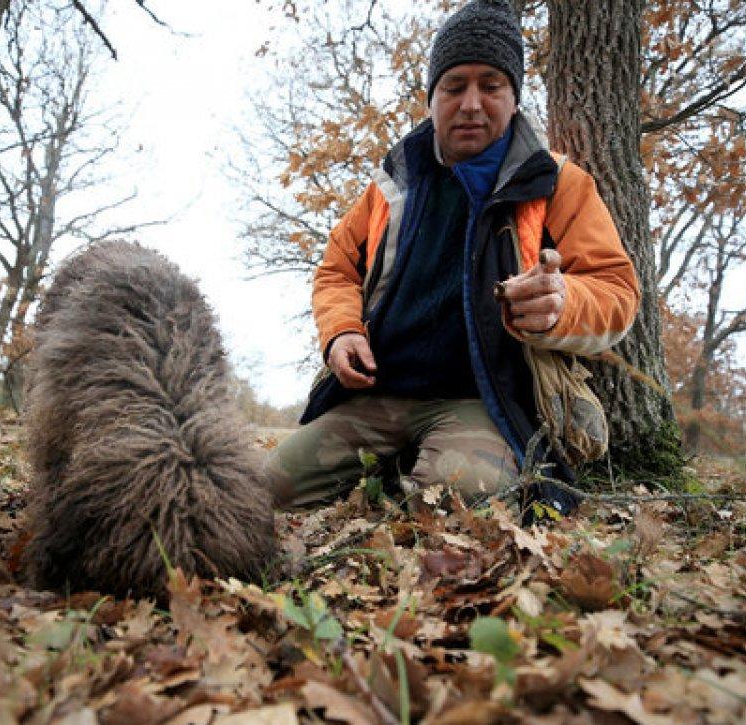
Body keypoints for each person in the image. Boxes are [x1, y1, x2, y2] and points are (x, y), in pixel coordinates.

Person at [267, 0, 639, 511]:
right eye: (454, 86)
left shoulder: (559, 183)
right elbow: (337, 269)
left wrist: (562, 303)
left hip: (484, 403)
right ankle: (396, 466)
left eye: (491, 86)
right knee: (264, 489)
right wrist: (342, 331)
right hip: (378, 395)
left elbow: (616, 290)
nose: (471, 104)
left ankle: (416, 474)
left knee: (454, 501)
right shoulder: (392, 184)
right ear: (432, 98)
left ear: (514, 98)